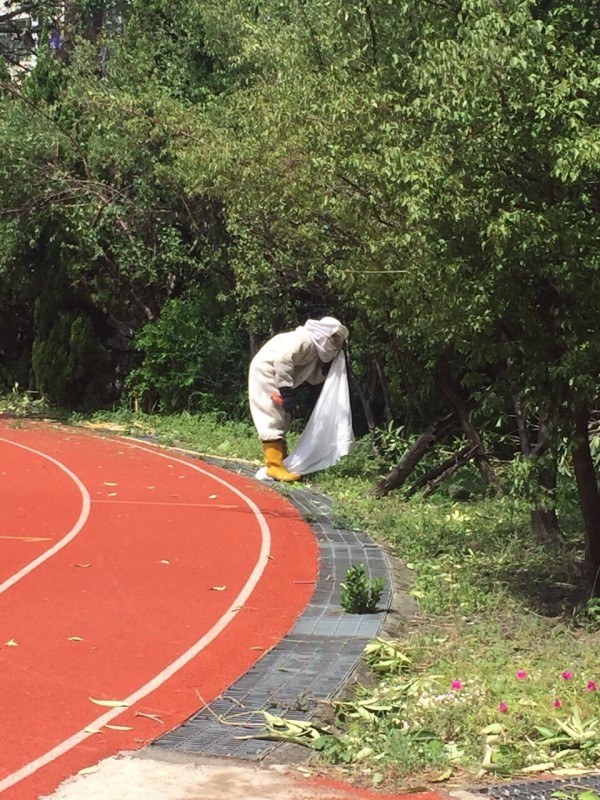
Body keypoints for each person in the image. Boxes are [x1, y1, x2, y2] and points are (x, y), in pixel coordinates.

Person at [248, 316, 350, 481]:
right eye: (334, 338)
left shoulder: (314, 350)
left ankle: (281, 459)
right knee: (271, 416)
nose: (335, 343)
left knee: (284, 417)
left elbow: (312, 377)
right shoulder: (304, 340)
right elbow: (283, 360)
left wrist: (328, 372)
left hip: (278, 378)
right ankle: (274, 466)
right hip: (266, 372)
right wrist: (285, 390)